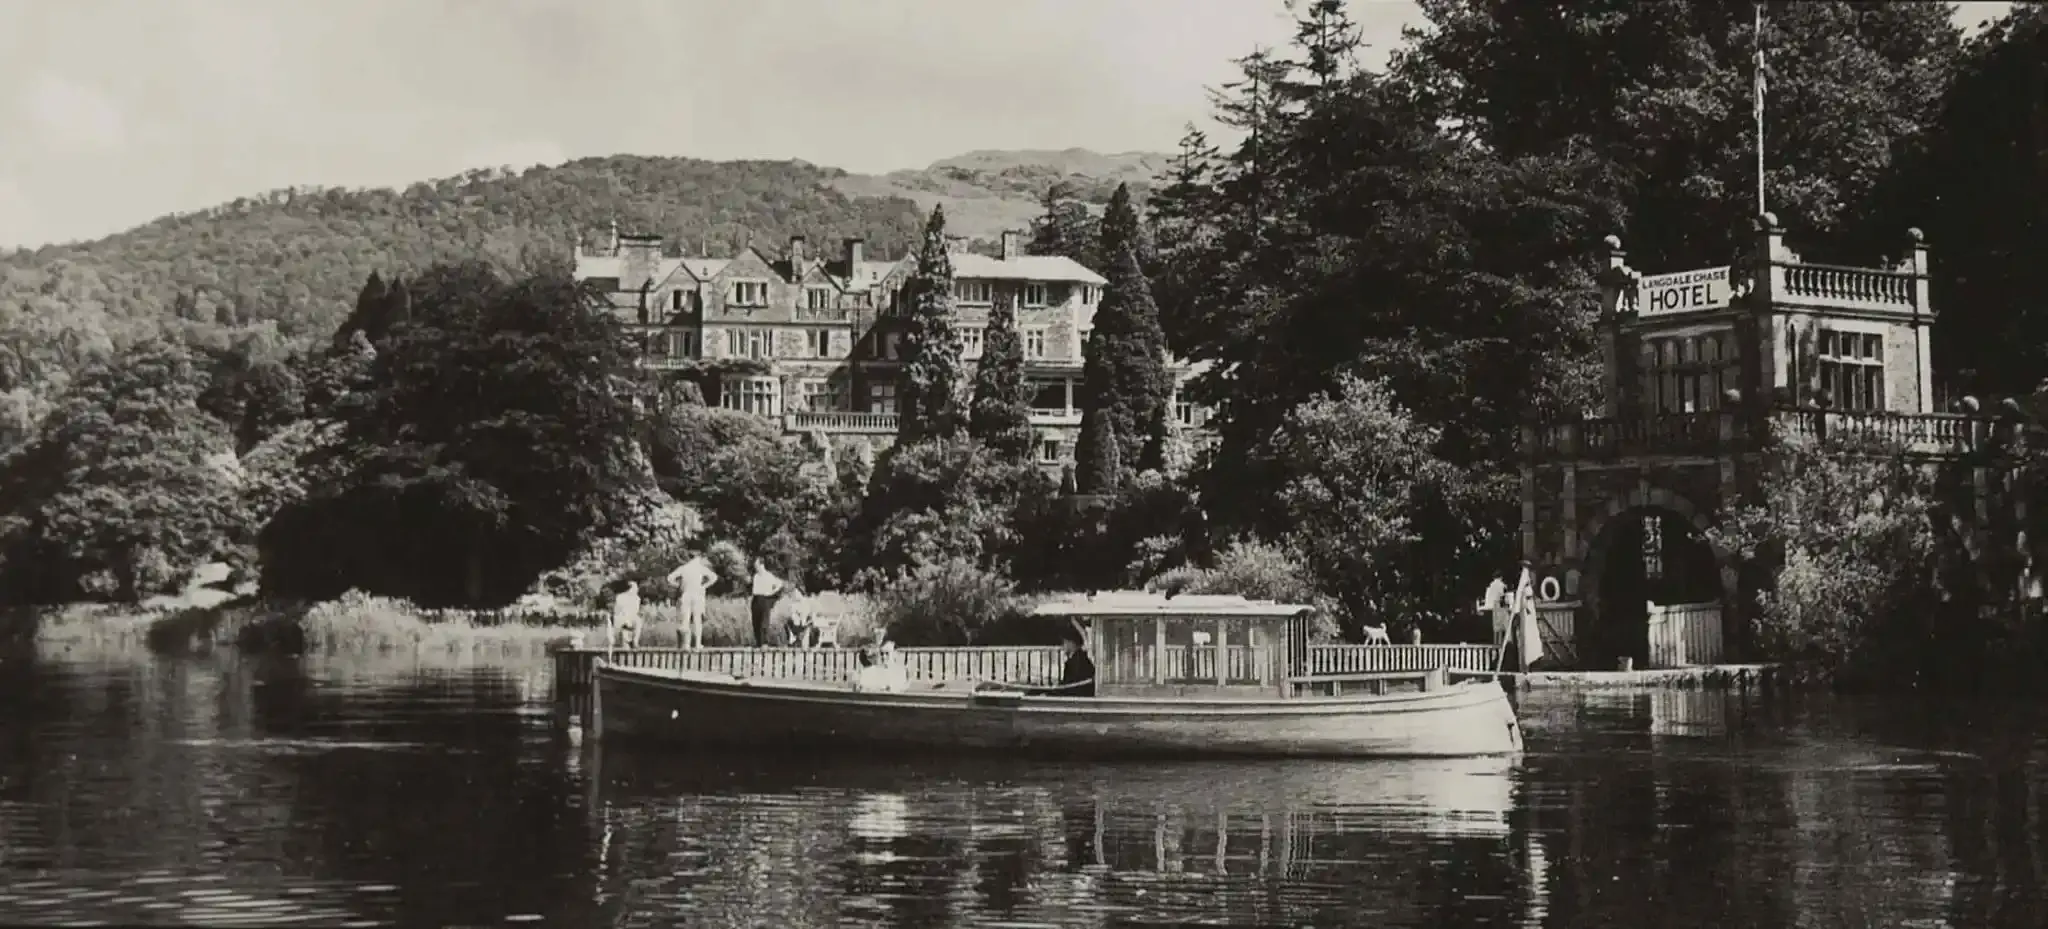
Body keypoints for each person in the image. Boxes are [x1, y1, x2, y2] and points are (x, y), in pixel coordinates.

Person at [666, 551, 719, 649]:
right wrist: (704, 586)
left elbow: (669, 578)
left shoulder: (684, 568)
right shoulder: (700, 568)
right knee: (697, 620)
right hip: (697, 594)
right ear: (697, 558)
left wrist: (678, 585)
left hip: (686, 594)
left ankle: (686, 644)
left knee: (685, 620)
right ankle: (698, 644)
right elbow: (714, 577)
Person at [1025, 625, 1096, 697]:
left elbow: (1071, 686)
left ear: (1071, 643)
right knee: (1036, 690)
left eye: (1064, 642)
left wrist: (1051, 692)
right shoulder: (1078, 659)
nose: (1062, 646)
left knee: (1036, 692)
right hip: (1070, 692)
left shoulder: (1078, 661)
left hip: (1074, 697)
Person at [749, 558, 786, 648]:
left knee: (764, 622)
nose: (755, 567)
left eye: (757, 566)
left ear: (762, 565)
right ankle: (758, 642)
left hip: (765, 599)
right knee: (755, 622)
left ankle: (764, 643)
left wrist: (771, 593)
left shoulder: (768, 576)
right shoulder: (756, 576)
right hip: (756, 598)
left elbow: (780, 583)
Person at [609, 578, 642, 650]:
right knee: (626, 624)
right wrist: (626, 620)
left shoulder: (637, 598)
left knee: (638, 621)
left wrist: (630, 620)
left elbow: (635, 612)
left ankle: (635, 641)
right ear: (630, 589)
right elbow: (617, 611)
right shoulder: (620, 597)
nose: (637, 589)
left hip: (631, 618)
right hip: (620, 618)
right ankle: (626, 643)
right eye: (635, 587)